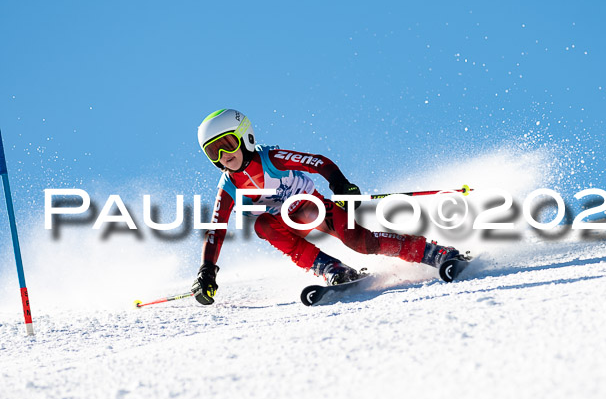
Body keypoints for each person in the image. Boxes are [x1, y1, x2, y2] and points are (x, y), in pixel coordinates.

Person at [191, 109, 465, 305]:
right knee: (263, 225)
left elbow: (319, 162)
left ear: (245, 136)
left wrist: (340, 184)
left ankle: (436, 252)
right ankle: (333, 269)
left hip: (314, 208)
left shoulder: (271, 158)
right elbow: (216, 228)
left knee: (362, 243)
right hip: (286, 224)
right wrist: (207, 270)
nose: (224, 156)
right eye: (213, 152)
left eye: (227, 144)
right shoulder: (228, 186)